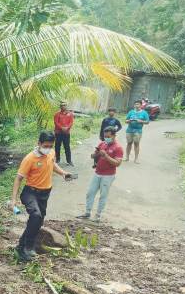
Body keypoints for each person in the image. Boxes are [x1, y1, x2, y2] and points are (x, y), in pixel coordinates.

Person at [10, 131, 73, 262]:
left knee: (38, 220)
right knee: (36, 215)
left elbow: (52, 164)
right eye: (45, 145)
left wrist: (63, 173)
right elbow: (18, 178)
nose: (48, 148)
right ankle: (27, 246)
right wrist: (13, 200)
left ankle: (22, 246)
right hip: (30, 192)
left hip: (45, 193)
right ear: (39, 143)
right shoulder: (29, 158)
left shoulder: (51, 153)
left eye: (50, 146)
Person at [77, 127, 124, 222]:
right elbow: (93, 155)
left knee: (103, 195)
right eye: (105, 136)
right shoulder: (102, 144)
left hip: (108, 175)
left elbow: (118, 163)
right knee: (90, 193)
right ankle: (87, 212)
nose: (106, 138)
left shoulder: (118, 148)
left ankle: (98, 215)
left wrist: (106, 156)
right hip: (97, 172)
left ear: (114, 136)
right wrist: (96, 154)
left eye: (108, 136)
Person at [54, 102, 74, 166]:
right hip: (58, 133)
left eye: (64, 105)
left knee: (67, 147)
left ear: (66, 106)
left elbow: (71, 122)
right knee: (57, 146)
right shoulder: (57, 114)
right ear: (60, 107)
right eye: (62, 105)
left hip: (66, 133)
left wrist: (67, 128)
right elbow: (56, 122)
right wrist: (61, 128)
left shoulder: (70, 114)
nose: (63, 107)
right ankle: (57, 160)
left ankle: (69, 161)